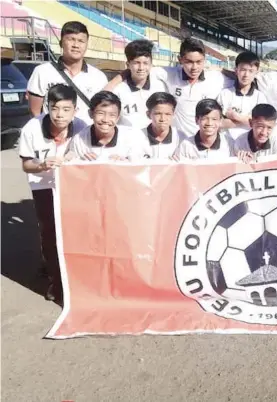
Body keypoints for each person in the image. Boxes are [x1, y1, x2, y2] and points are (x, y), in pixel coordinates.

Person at [18, 84, 88, 303]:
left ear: (75, 110)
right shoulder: (32, 128)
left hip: (72, 187)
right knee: (50, 234)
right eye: (55, 108)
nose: (60, 115)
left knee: (76, 233)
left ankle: (78, 277)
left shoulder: (82, 126)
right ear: (47, 107)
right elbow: (26, 165)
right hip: (43, 186)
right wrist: (41, 166)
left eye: (66, 109)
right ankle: (55, 281)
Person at [106, 38, 232, 135]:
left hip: (205, 139)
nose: (194, 67)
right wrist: (112, 84)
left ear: (204, 59)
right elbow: (139, 69)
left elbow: (245, 80)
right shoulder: (168, 74)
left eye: (199, 62)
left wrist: (223, 69)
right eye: (189, 62)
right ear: (180, 60)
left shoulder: (217, 79)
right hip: (178, 142)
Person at [27, 21, 108, 123]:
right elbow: (35, 111)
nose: (76, 45)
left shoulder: (99, 77)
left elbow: (103, 109)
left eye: (81, 41)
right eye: (71, 39)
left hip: (86, 137)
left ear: (87, 45)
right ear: (61, 43)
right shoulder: (42, 71)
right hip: (53, 136)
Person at [67, 91, 145, 161]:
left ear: (118, 117)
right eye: (100, 113)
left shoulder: (133, 137)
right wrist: (84, 165)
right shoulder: (79, 140)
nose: (106, 120)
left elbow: (142, 169)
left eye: (112, 115)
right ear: (91, 114)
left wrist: (124, 163)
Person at [112, 39, 167, 129]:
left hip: (154, 141)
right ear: (128, 64)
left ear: (151, 64)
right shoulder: (118, 90)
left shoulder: (161, 87)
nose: (141, 68)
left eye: (145, 63)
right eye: (136, 63)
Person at [217, 51, 268, 139]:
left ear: (257, 72)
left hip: (250, 143)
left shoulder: (260, 97)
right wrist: (249, 121)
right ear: (236, 71)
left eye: (251, 71)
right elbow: (217, 123)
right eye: (243, 70)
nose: (246, 75)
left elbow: (262, 124)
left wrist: (236, 117)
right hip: (227, 142)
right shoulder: (225, 94)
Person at [141, 92, 187, 159]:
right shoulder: (137, 138)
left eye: (167, 114)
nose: (162, 119)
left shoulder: (181, 138)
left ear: (173, 115)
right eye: (158, 114)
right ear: (148, 114)